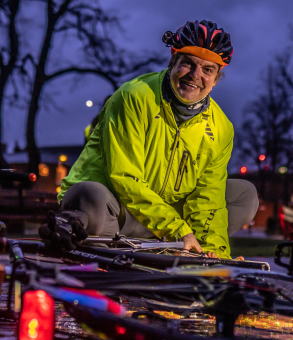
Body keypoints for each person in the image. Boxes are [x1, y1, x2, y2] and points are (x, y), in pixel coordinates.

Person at [46, 20, 258, 260]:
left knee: (244, 194)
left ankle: (180, 255)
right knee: (89, 193)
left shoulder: (221, 128)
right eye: (187, 63)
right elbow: (125, 178)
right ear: (172, 62)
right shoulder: (133, 97)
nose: (195, 76)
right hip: (116, 211)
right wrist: (177, 230)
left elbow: (208, 198)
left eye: (207, 70)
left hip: (167, 222)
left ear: (216, 78)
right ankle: (107, 256)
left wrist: (214, 254)